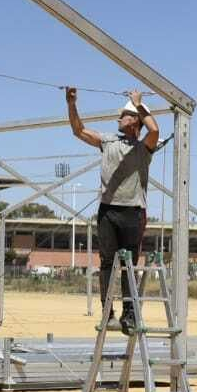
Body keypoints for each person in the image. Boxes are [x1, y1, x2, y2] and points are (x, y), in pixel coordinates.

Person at [66, 86, 160, 334]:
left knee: (129, 264)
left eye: (124, 115)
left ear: (135, 122)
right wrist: (71, 104)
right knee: (107, 262)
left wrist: (138, 104)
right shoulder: (108, 141)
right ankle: (108, 313)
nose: (119, 118)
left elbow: (155, 130)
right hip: (108, 210)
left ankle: (130, 315)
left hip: (133, 212)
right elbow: (78, 130)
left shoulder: (144, 147)